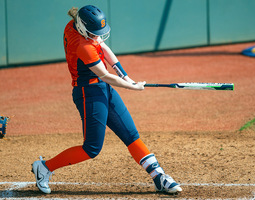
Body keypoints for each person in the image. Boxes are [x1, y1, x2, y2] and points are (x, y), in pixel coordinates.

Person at [31, 5, 182, 194]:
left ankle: (159, 177)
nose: (97, 36)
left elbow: (103, 47)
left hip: (102, 89)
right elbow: (105, 75)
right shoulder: (83, 46)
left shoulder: (76, 26)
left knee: (131, 134)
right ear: (83, 27)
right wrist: (133, 86)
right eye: (94, 33)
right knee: (91, 148)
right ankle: (44, 167)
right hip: (88, 93)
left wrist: (125, 76)